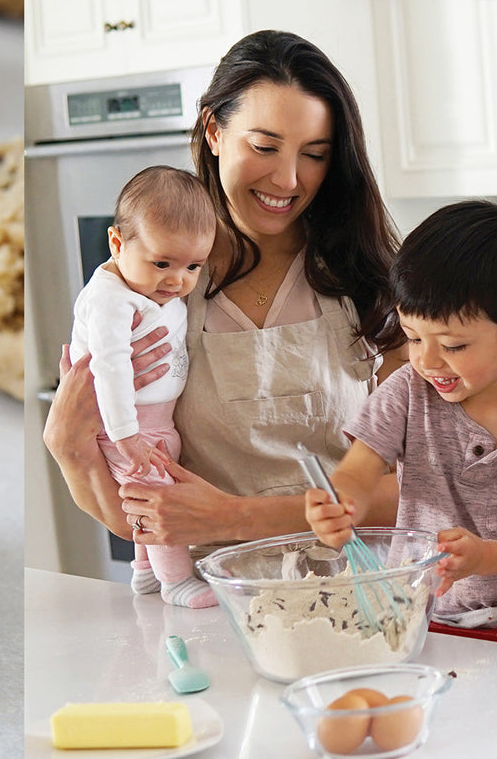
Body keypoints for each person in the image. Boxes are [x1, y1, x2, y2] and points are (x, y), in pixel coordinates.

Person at [44, 29, 405, 558]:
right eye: (264, 147)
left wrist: (237, 518)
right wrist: (69, 448)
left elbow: (422, 487)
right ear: (213, 130)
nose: (287, 179)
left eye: (314, 154)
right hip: (211, 603)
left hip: (358, 601)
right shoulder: (154, 285)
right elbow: (137, 515)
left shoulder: (367, 278)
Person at [304, 200, 497, 637]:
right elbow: (359, 474)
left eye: (454, 345)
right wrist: (338, 505)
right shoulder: (408, 392)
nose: (427, 361)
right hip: (426, 614)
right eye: (413, 337)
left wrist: (485, 557)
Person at [68, 165, 218, 608]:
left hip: (155, 423)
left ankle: (146, 573)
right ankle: (176, 581)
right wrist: (125, 435)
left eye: (194, 266)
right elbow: (110, 369)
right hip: (125, 426)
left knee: (142, 498)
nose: (178, 280)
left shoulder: (152, 290)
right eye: (162, 264)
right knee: (157, 501)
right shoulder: (111, 299)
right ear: (117, 243)